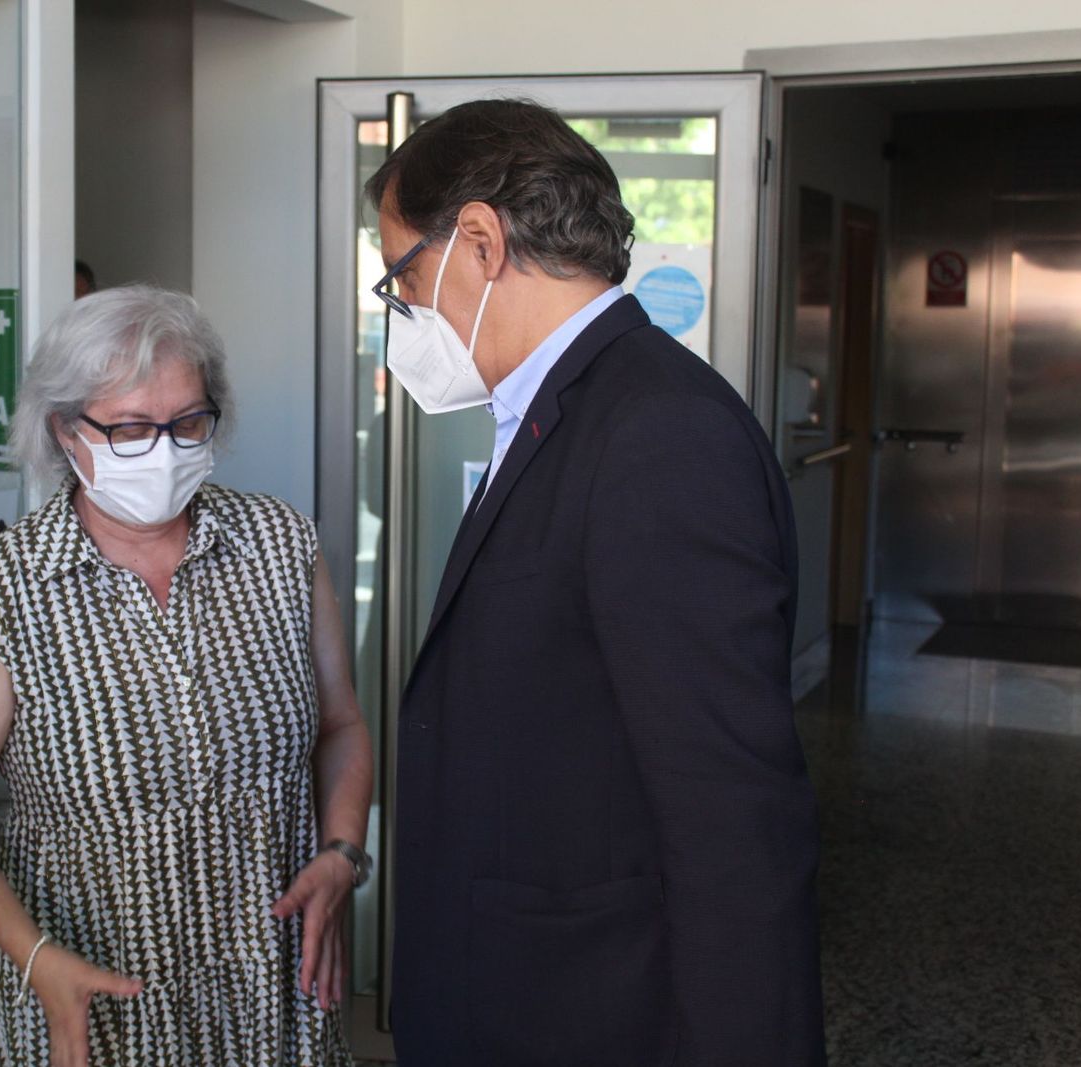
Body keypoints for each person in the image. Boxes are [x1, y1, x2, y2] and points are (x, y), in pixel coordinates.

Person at [366, 99, 825, 1065]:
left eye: (402, 275)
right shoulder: (555, 410)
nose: (403, 310)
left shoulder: (658, 431)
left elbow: (731, 814)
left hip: (588, 1009)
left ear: (481, 241)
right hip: (515, 988)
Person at [0, 285, 372, 1067]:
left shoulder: (281, 547)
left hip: (273, 998)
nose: (164, 448)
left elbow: (341, 724)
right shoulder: (2, 594)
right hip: (90, 1007)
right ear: (64, 429)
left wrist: (342, 851)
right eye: (129, 428)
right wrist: (32, 954)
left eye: (187, 423)